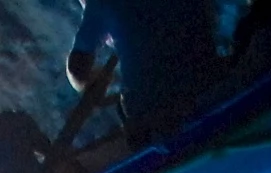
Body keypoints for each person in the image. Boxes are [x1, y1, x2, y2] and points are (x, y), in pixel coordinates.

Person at [67, 0, 226, 146]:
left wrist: (97, 81)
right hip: (211, 84)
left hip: (152, 113)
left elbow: (78, 70)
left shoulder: (101, 3)